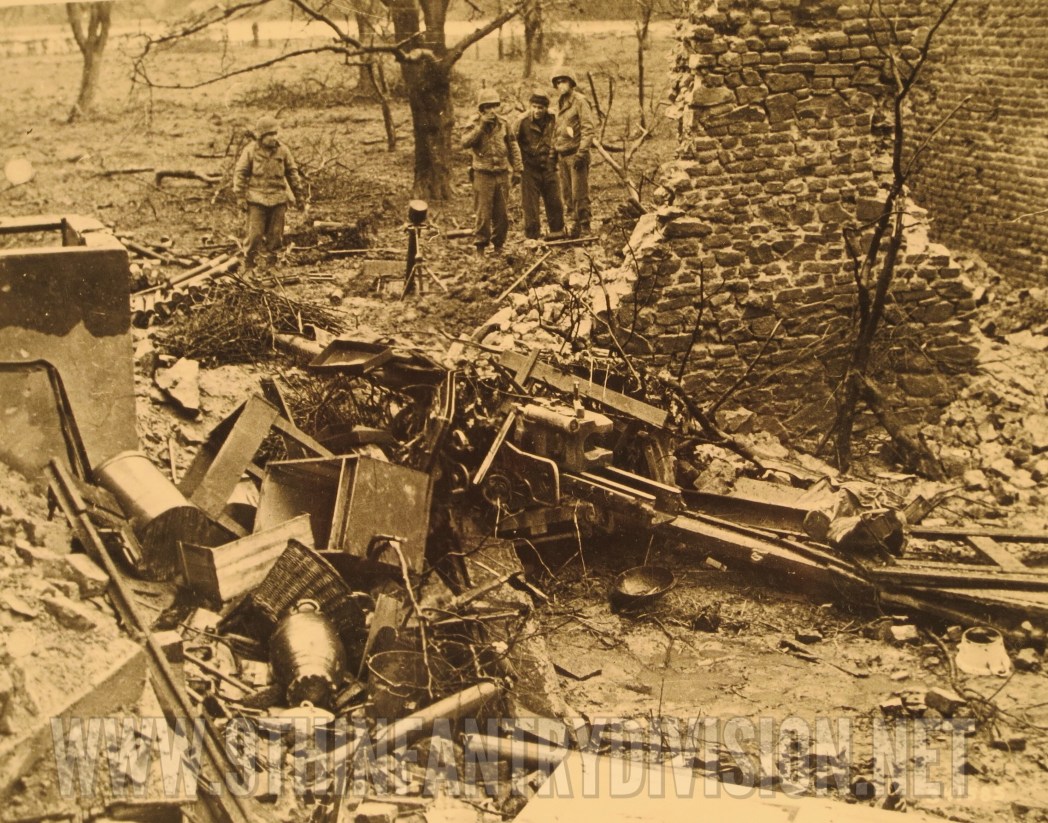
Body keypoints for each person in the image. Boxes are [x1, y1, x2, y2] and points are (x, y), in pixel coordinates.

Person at [233, 114, 305, 272]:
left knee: (275, 236)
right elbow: (240, 173)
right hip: (256, 199)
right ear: (261, 136)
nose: (274, 138)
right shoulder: (250, 151)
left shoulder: (283, 151)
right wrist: (240, 197)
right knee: (255, 235)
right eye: (270, 134)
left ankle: (271, 265)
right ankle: (249, 262)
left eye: (275, 134)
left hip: (278, 199)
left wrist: (299, 196)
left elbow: (292, 173)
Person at [461, 88, 521, 255]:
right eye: (488, 107)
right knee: (483, 213)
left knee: (501, 214)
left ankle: (499, 246)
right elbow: (465, 142)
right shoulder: (473, 123)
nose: (493, 111)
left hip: (502, 174)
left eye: (495, 106)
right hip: (483, 175)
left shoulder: (504, 124)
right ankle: (480, 247)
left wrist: (517, 169)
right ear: (482, 109)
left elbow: (513, 146)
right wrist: (480, 127)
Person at [514, 90, 566, 241]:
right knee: (530, 206)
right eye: (534, 107)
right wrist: (517, 168)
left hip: (549, 166)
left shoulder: (553, 118)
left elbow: (560, 136)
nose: (537, 111)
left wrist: (554, 158)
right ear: (530, 106)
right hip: (529, 168)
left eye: (541, 108)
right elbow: (512, 144)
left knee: (555, 201)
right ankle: (532, 237)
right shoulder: (521, 121)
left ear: (546, 108)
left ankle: (557, 233)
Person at [551, 68, 596, 238]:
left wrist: (582, 152)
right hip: (563, 154)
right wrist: (554, 153)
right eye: (558, 82)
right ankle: (574, 224)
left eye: (564, 81)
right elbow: (557, 130)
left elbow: (588, 129)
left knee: (579, 194)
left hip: (576, 154)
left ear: (571, 82)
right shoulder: (560, 103)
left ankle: (585, 226)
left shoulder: (580, 101)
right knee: (567, 194)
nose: (561, 85)